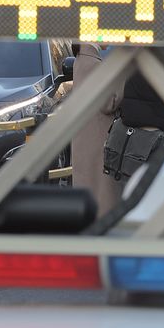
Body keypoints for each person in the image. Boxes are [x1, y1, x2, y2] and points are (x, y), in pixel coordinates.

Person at [71, 43, 123, 217]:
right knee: (102, 193)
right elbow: (109, 102)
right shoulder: (92, 64)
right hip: (97, 138)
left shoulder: (82, 61)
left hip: (87, 137)